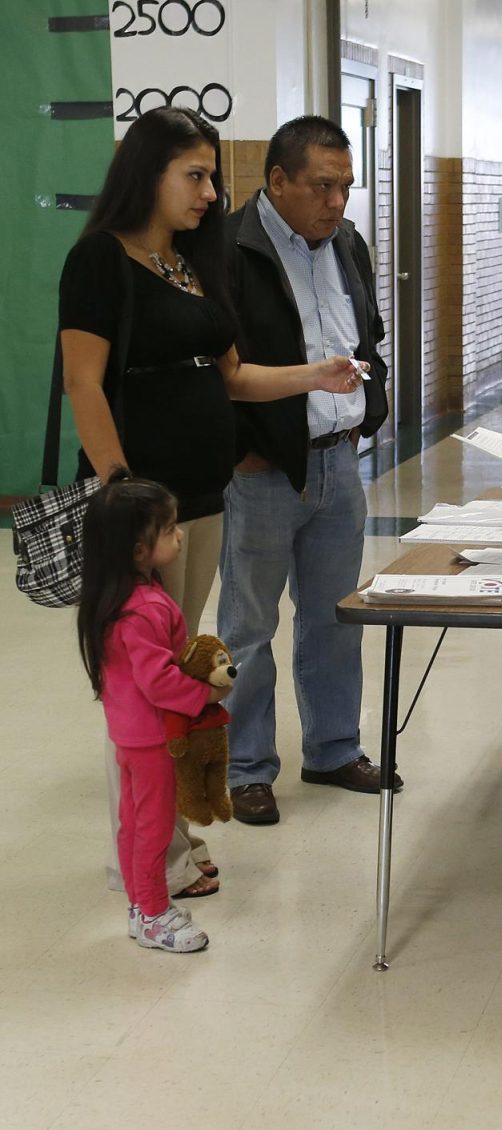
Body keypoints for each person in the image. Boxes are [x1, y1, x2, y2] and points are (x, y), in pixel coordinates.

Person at [59, 107, 367, 897]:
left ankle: (172, 831)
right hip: (144, 512)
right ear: (148, 175)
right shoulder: (101, 260)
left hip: (203, 498)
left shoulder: (191, 264)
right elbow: (83, 383)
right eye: (193, 177)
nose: (207, 193)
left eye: (209, 177)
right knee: (142, 682)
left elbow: (233, 376)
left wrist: (316, 375)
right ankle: (149, 849)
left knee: (178, 673)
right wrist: (122, 487)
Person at [218, 115, 393, 825]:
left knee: (334, 618)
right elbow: (218, 368)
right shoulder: (230, 250)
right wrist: (243, 448)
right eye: (322, 186)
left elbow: (366, 337)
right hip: (261, 473)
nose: (336, 202)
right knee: (249, 627)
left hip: (336, 463)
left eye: (346, 186)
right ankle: (248, 767)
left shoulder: (348, 244)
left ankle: (331, 749)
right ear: (278, 180)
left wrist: (368, 410)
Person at [77, 472, 232, 952]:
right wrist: (203, 696)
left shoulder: (121, 597)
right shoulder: (143, 608)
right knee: (153, 829)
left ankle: (141, 905)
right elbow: (158, 679)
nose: (180, 533)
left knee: (134, 822)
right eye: (168, 529)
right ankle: (153, 913)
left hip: (129, 734)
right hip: (150, 739)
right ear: (137, 550)